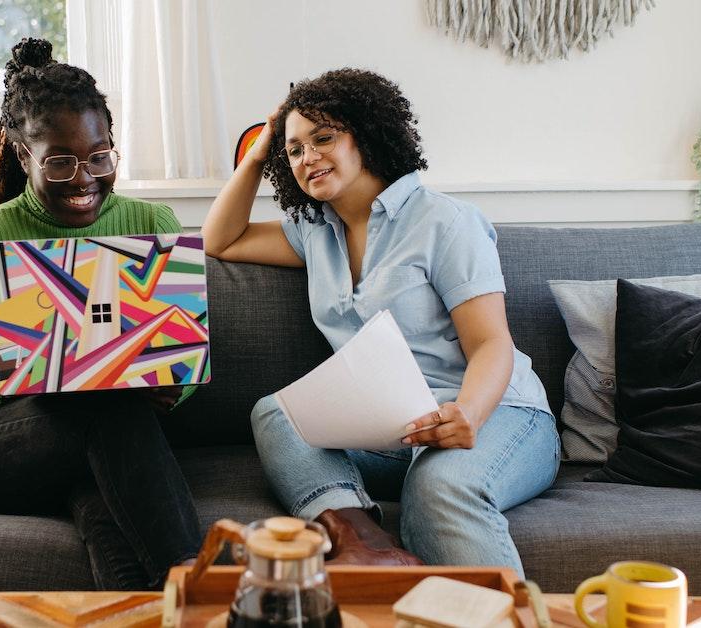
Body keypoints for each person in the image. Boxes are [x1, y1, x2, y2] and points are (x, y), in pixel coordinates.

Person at [201, 68, 559, 576]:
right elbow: (222, 240)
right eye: (295, 150)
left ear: (366, 136)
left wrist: (469, 415)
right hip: (395, 427)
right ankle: (366, 548)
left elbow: (491, 344)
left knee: (440, 485)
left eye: (324, 137)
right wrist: (261, 151)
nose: (308, 157)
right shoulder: (314, 232)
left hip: (497, 415)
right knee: (277, 415)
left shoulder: (444, 221)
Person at [0, 38, 200, 590]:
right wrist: (46, 377)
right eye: (60, 161)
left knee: (106, 492)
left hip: (114, 441)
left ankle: (158, 605)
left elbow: (183, 348)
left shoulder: (152, 220)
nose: (84, 177)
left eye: (99, 155)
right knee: (99, 400)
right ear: (24, 157)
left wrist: (169, 386)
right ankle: (197, 587)